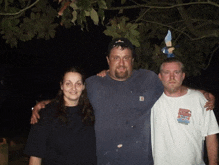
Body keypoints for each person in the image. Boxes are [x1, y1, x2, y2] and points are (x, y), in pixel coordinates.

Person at [30, 38, 215, 165]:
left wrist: (201, 93)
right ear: (108, 60)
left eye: (126, 58)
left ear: (133, 60)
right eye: (116, 58)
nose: (121, 63)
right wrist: (44, 104)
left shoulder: (149, 79)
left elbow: (172, 85)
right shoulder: (94, 83)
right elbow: (72, 93)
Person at [151, 58, 219, 165]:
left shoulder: (199, 99)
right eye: (167, 73)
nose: (172, 77)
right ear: (160, 76)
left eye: (176, 72)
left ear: (183, 76)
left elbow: (211, 134)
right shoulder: (151, 100)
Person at [24, 67, 97, 165]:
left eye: (78, 84)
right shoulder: (46, 114)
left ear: (83, 86)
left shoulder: (91, 112)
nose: (73, 88)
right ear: (61, 86)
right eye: (68, 83)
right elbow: (35, 156)